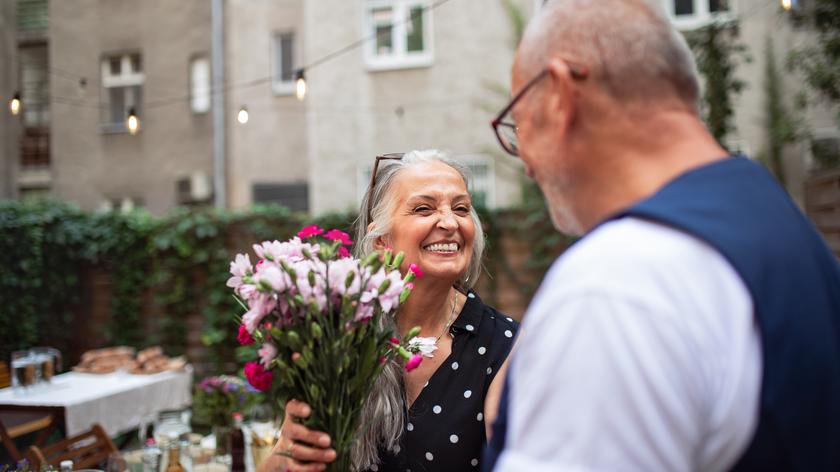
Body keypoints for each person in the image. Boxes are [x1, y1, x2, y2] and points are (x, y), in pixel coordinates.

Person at [484, 1, 840, 471]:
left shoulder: (617, 283)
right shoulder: (779, 219)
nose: (524, 160)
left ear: (559, 94)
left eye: (518, 124)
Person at [257, 149, 518, 472]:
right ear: (381, 240)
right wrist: (288, 451)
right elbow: (284, 460)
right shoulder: (339, 335)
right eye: (424, 208)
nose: (450, 222)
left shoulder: (504, 346)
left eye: (461, 208)